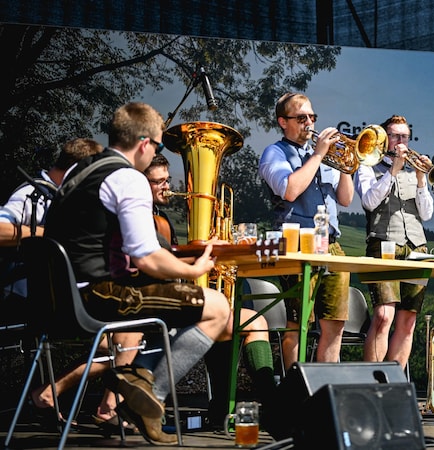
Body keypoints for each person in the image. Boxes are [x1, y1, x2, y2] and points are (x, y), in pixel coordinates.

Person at [42, 102, 234, 445]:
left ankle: (136, 379)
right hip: (100, 296)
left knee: (171, 301)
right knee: (219, 307)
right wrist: (195, 269)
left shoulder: (79, 172)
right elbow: (147, 257)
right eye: (159, 147)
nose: (157, 154)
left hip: (63, 299)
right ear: (145, 143)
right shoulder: (127, 177)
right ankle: (149, 399)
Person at [0, 138, 141, 432]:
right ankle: (102, 408)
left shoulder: (68, 200)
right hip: (28, 299)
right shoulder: (31, 195)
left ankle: (53, 396)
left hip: (59, 299)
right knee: (128, 329)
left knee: (122, 334)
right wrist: (45, 233)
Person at [143, 153, 275, 431]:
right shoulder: (142, 219)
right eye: (158, 182)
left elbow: (173, 261)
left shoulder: (160, 217)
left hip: (171, 298)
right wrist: (201, 258)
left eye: (167, 180)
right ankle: (273, 407)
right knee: (246, 320)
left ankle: (226, 409)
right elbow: (159, 266)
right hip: (157, 304)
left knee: (236, 316)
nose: (167, 187)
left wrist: (211, 250)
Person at [259, 92, 353, 367]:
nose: (309, 123)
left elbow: (346, 199)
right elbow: (289, 190)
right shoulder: (274, 153)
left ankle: (327, 389)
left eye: (312, 117)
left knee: (335, 324)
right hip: (298, 244)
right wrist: (319, 154)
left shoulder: (322, 154)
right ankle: (295, 393)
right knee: (298, 324)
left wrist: (347, 164)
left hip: (331, 245)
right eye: (301, 118)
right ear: (283, 122)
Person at [354, 114, 433, 370]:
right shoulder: (368, 166)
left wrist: (421, 179)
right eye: (396, 136)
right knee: (383, 315)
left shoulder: (414, 169)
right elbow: (368, 202)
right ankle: (371, 380)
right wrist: (393, 171)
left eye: (405, 137)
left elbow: (427, 214)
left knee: (408, 320)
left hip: (416, 248)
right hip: (383, 244)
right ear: (384, 139)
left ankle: (393, 383)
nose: (401, 141)